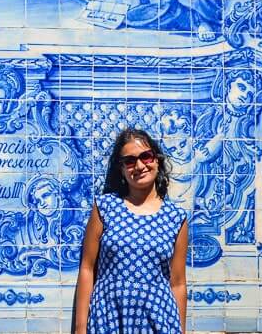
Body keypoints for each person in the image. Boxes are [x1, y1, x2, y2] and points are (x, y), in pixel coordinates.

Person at [73, 128, 188, 334]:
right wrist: (80, 329)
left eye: (146, 156)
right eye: (130, 160)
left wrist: (181, 330)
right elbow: (87, 269)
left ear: (157, 160)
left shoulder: (176, 217)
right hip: (108, 319)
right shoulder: (105, 207)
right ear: (122, 169)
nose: (139, 165)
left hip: (159, 321)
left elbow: (178, 283)